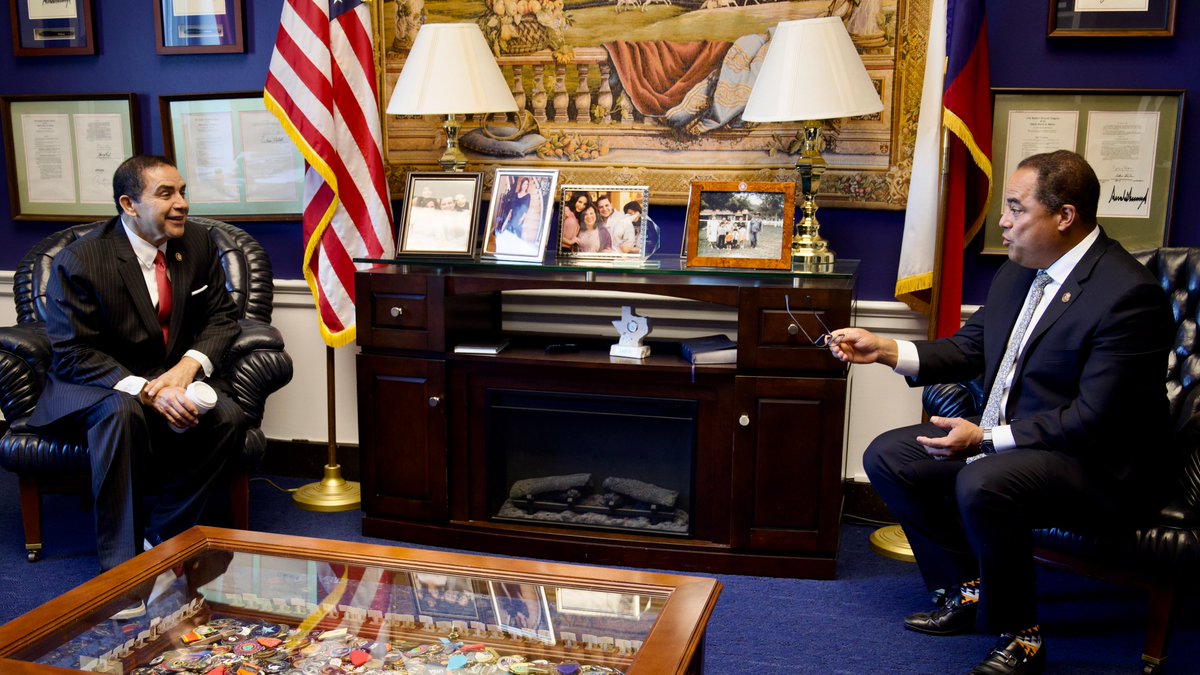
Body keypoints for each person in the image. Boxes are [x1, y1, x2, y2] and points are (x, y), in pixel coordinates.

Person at [827, 150, 1173, 675]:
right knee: (889, 456)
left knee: (984, 480)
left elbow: (1095, 419)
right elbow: (969, 349)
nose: (1003, 223)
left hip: (1097, 467)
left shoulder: (1128, 295)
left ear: (1065, 216)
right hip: (1022, 448)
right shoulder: (1021, 273)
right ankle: (968, 590)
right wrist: (886, 349)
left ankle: (1022, 637)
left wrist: (986, 438)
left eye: (1015, 208)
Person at [29, 155, 247, 611]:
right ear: (129, 204)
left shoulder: (198, 242)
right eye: (166, 194)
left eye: (182, 191)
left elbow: (223, 319)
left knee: (227, 416)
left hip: (170, 375)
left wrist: (185, 369)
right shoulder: (82, 259)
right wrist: (150, 390)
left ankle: (162, 536)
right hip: (96, 382)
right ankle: (121, 576)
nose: (182, 203)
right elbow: (74, 353)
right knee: (122, 412)